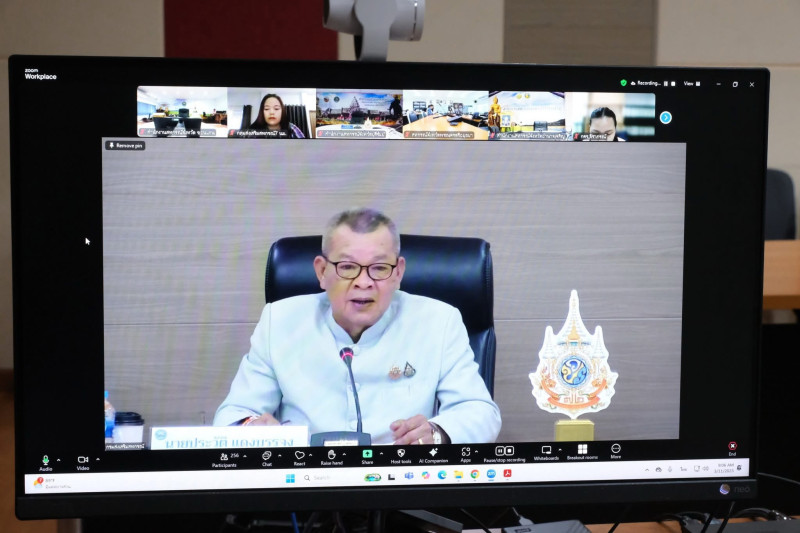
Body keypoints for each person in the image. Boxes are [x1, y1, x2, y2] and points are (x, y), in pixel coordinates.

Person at [214, 208, 501, 445]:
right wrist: (251, 427)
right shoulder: (279, 321)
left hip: (400, 484)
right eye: (348, 267)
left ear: (398, 273)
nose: (363, 282)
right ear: (322, 271)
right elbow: (232, 415)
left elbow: (481, 413)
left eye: (379, 268)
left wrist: (436, 433)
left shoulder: (438, 321)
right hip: (306, 485)